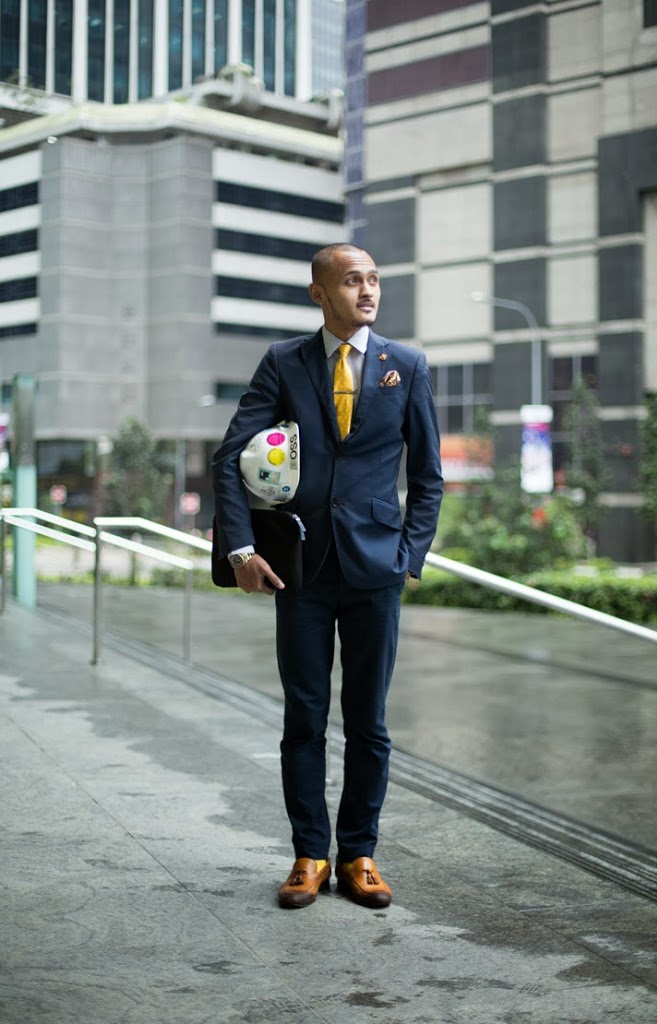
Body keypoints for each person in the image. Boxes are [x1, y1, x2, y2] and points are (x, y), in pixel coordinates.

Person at [212, 243, 443, 909]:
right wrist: (240, 551)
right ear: (319, 293)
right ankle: (310, 854)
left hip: (376, 569)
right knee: (304, 718)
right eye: (350, 281)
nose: (366, 291)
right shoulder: (283, 361)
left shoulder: (406, 366)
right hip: (301, 570)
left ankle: (360, 853)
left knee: (368, 721)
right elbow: (230, 456)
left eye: (373, 279)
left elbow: (427, 475)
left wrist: (409, 557)